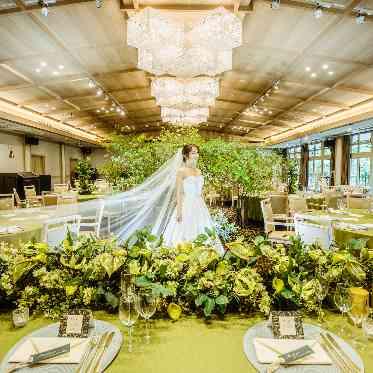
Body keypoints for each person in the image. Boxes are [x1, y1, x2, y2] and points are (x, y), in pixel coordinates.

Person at [162, 144, 224, 254]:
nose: (196, 155)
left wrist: (205, 205)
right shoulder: (181, 171)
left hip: (199, 205)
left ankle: (205, 253)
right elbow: (179, 193)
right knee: (184, 230)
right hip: (187, 204)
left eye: (197, 152)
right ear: (186, 155)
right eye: (193, 153)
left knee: (202, 228)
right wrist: (179, 211)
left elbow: (200, 192)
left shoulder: (198, 171)